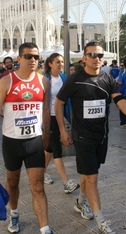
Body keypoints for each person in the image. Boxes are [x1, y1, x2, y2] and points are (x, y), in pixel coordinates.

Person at [54, 41, 126, 234]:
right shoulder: (74, 79)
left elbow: (118, 99)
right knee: (92, 178)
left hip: (101, 137)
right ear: (84, 58)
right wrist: (62, 130)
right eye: (92, 55)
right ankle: (102, 223)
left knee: (88, 173)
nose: (96, 59)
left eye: (100, 55)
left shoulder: (107, 79)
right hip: (82, 137)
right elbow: (58, 103)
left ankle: (81, 201)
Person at [0, 42, 53, 234]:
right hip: (12, 142)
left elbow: (47, 111)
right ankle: (14, 213)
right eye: (28, 56)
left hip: (34, 141)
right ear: (19, 59)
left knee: (38, 187)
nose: (33, 60)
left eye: (36, 57)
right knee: (13, 183)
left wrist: (46, 137)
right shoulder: (7, 81)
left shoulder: (43, 82)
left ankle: (45, 228)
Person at [42, 53, 79, 193]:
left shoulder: (64, 78)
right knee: (57, 148)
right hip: (49, 117)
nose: (60, 64)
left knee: (50, 149)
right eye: (57, 62)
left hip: (61, 116)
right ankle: (66, 182)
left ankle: (42, 173)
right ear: (50, 63)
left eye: (62, 62)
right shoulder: (45, 79)